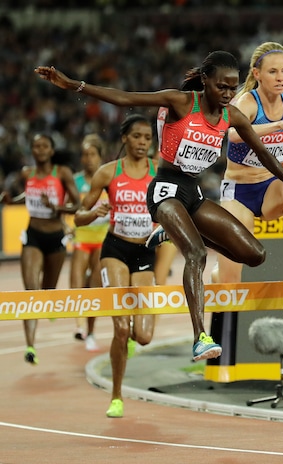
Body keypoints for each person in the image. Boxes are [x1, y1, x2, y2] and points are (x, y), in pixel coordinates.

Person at [35, 51, 283, 362]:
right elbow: (125, 98)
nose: (227, 94)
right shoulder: (182, 102)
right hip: (165, 189)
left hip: (192, 194)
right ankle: (201, 338)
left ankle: (171, 231)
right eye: (221, 87)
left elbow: (264, 154)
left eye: (233, 88)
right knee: (195, 253)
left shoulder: (231, 116)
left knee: (254, 254)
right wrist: (74, 85)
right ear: (206, 81)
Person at [74, 114, 158, 418]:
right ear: (125, 138)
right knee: (121, 328)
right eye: (137, 137)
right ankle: (117, 395)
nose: (142, 143)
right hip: (115, 250)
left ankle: (132, 340)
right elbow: (79, 218)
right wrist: (96, 210)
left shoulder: (158, 173)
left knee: (144, 336)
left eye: (147, 138)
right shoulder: (107, 173)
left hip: (146, 253)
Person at [218, 41, 283, 289]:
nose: (280, 77)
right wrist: (279, 125)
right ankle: (219, 276)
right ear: (257, 74)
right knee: (231, 279)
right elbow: (234, 134)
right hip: (239, 192)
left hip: (271, 185)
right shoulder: (246, 103)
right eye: (273, 72)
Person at [0, 134, 80, 364]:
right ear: (32, 150)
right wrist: (12, 201)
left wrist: (56, 207)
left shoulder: (62, 173)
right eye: (36, 146)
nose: (40, 149)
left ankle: (49, 303)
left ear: (52, 150)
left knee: (47, 291)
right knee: (31, 292)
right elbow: (29, 196)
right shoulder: (27, 173)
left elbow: (76, 205)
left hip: (56, 238)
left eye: (44, 146)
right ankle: (30, 346)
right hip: (33, 236)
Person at [70, 134, 109, 351]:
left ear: (100, 156)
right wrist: (66, 225)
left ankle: (92, 332)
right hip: (82, 238)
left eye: (92, 154)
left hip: (103, 239)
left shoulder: (107, 178)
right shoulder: (75, 181)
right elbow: (69, 207)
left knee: (94, 286)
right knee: (76, 282)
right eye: (85, 155)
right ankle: (79, 325)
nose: (88, 159)